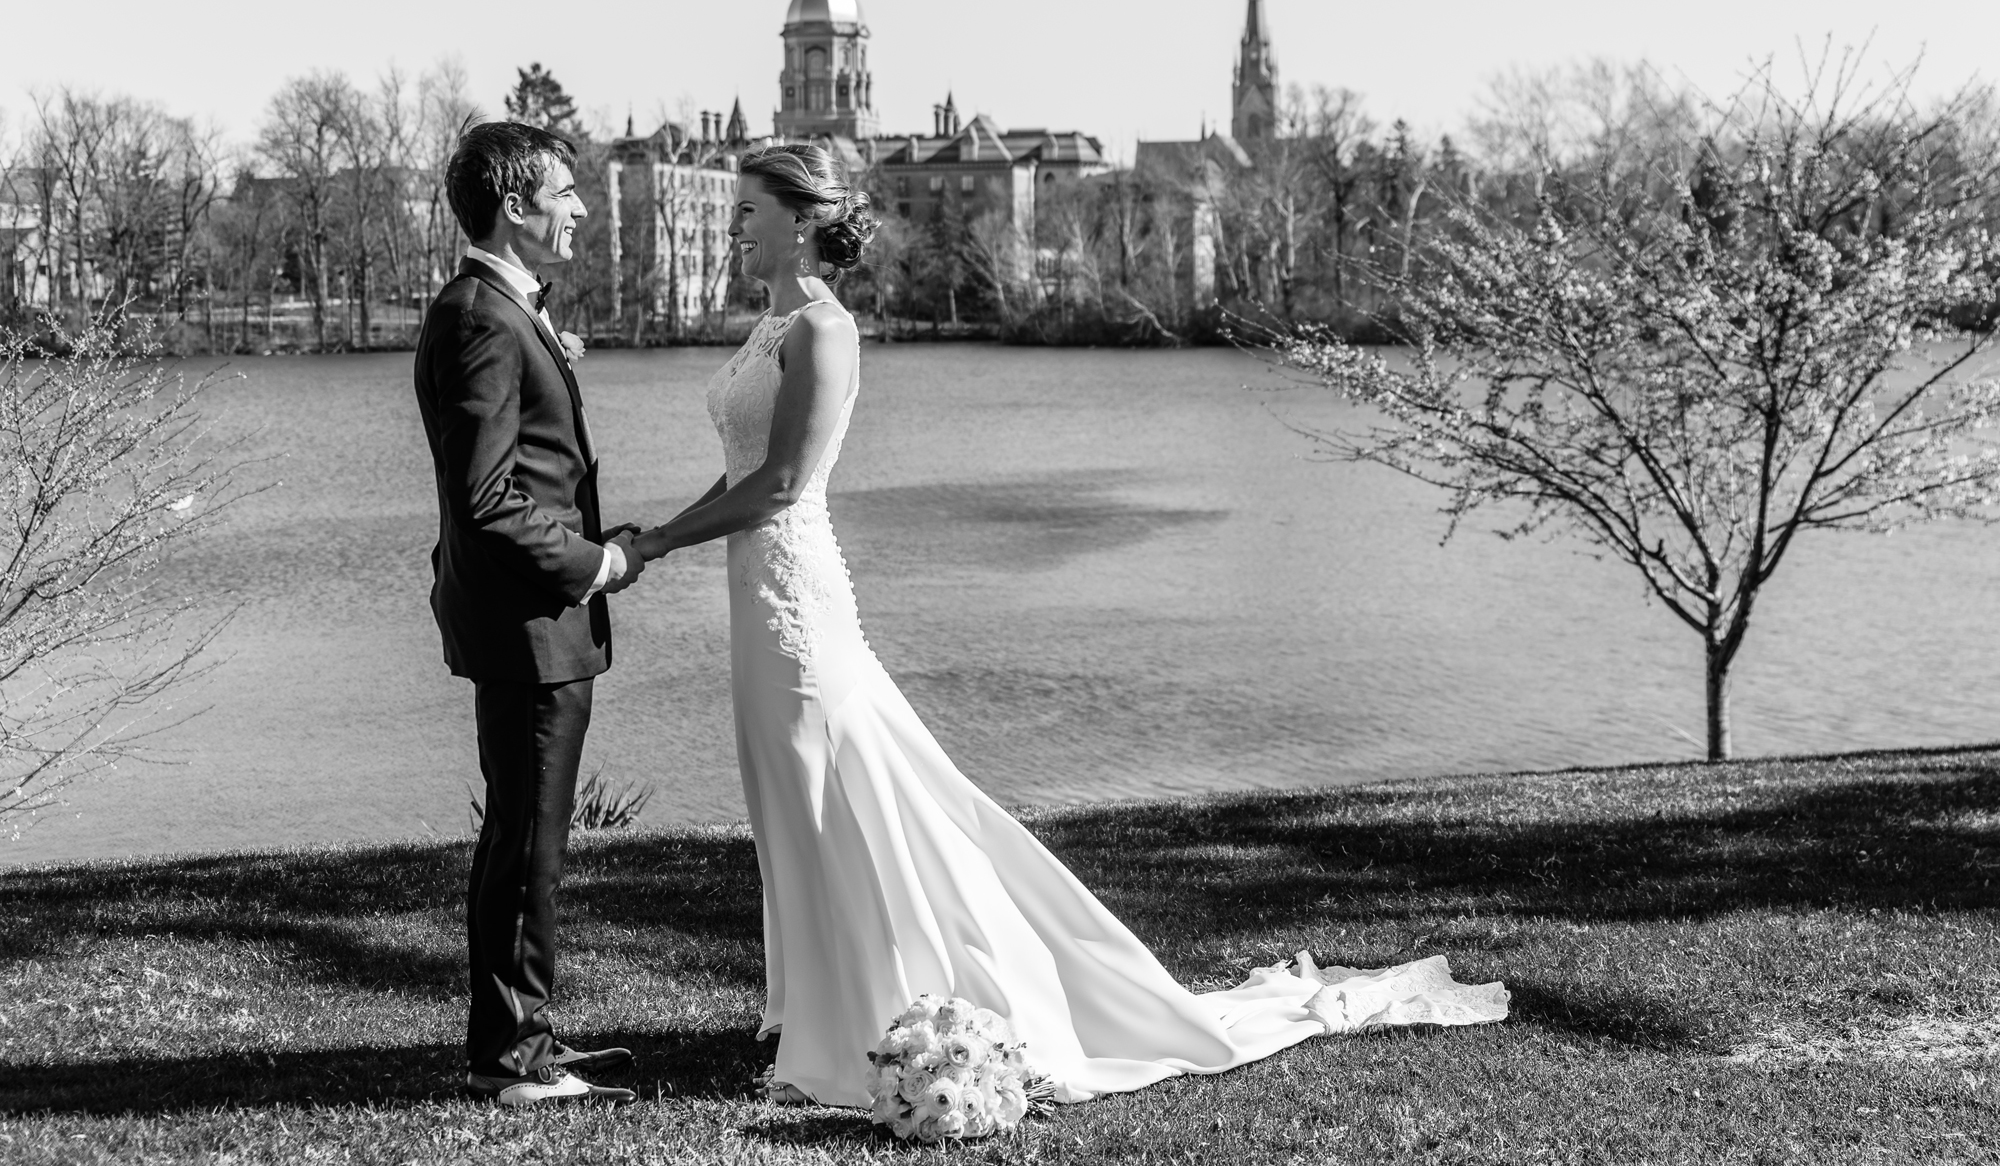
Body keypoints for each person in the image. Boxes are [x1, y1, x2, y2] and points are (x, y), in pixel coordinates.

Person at [632, 143, 1508, 1108]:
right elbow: (749, 465)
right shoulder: (769, 324)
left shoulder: (824, 330)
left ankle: (862, 1016)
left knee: (835, 788)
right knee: (788, 795)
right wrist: (664, 531)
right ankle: (810, 1004)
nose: (735, 223)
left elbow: (788, 482)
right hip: (755, 592)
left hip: (798, 598)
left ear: (799, 219)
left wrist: (663, 540)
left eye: (748, 208)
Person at [413, 121, 646, 1107]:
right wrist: (597, 564)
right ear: (514, 205)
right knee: (527, 845)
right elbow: (488, 497)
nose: (582, 207)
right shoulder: (481, 318)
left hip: (525, 624)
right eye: (565, 191)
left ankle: (521, 1039)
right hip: (529, 624)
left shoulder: (496, 312)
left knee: (521, 836)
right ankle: (513, 1061)